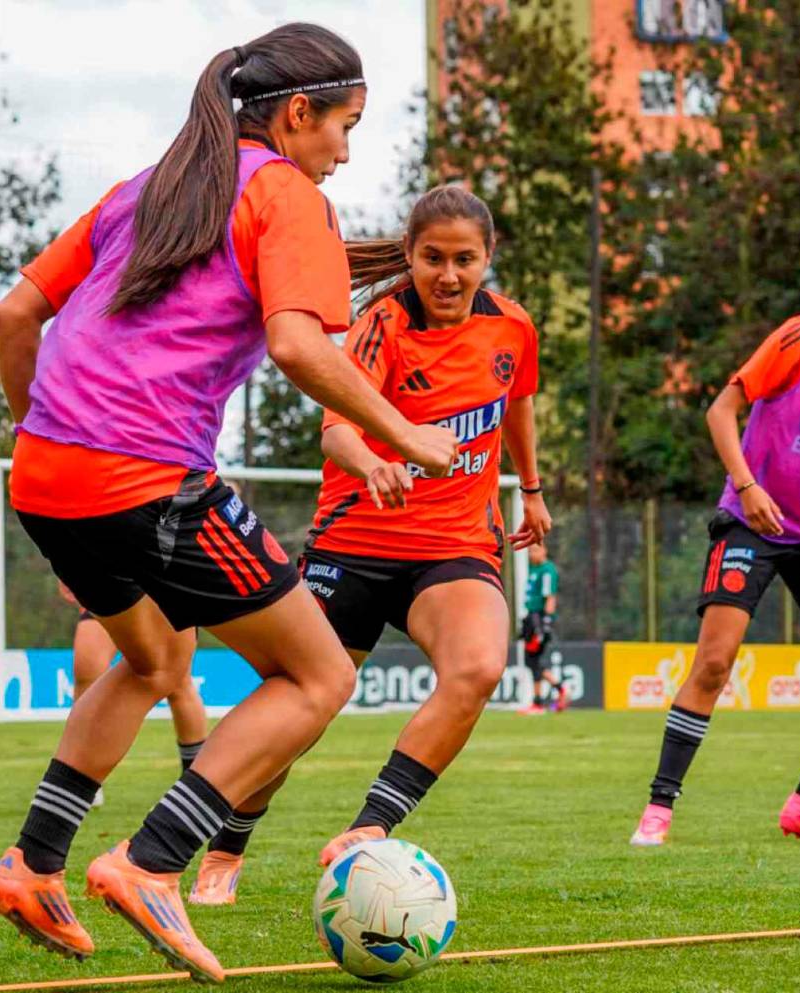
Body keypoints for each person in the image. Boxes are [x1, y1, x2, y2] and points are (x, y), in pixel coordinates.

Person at [0, 24, 457, 982]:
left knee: (155, 658)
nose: (345, 152)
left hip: (43, 476)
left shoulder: (143, 190)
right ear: (295, 115)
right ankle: (152, 861)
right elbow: (296, 345)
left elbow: (13, 313)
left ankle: (33, 862)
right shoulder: (287, 195)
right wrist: (404, 436)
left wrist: (47, 426)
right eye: (345, 127)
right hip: (142, 475)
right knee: (318, 674)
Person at [188, 185, 552, 905]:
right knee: (299, 705)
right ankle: (224, 851)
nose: (448, 275)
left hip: (453, 545)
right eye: (432, 258)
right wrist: (375, 461)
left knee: (478, 667)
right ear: (411, 256)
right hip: (354, 543)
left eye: (465, 259)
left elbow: (517, 402)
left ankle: (371, 827)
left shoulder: (513, 327)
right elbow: (335, 430)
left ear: (489, 258)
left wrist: (532, 488)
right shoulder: (380, 324)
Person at [630, 241, 800, 848]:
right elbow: (721, 411)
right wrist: (748, 486)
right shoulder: (797, 339)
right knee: (713, 663)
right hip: (752, 523)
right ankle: (658, 811)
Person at [58, 581, 207, 805]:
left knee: (178, 682)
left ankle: (196, 781)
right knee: (87, 668)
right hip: (113, 580)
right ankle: (80, 778)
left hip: (162, 581)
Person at [518, 543, 568, 713]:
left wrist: (545, 623)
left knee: (534, 660)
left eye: (535, 550)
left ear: (544, 550)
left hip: (538, 619)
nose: (531, 554)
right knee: (532, 661)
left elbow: (550, 597)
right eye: (530, 551)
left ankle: (539, 702)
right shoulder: (533, 569)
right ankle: (559, 690)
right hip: (531, 618)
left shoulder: (547, 570)